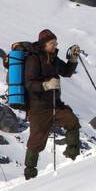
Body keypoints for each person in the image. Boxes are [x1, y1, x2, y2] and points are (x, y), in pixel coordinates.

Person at [23, 29, 81, 179]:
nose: (55, 45)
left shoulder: (53, 58)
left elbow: (66, 72)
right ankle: (30, 174)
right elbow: (29, 83)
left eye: (55, 43)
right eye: (51, 43)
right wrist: (46, 85)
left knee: (72, 121)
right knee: (36, 142)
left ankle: (73, 157)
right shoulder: (33, 59)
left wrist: (73, 59)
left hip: (55, 104)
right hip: (38, 107)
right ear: (43, 44)